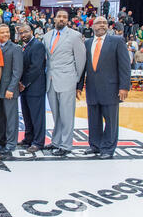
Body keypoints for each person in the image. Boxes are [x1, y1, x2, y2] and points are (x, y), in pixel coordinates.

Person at [77, 16, 131, 159]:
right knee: (93, 119)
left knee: (111, 121)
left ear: (108, 26)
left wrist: (124, 87)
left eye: (104, 23)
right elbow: (83, 67)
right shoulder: (87, 43)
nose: (101, 25)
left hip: (111, 89)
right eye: (98, 23)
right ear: (92, 26)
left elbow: (125, 66)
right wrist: (79, 86)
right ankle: (95, 145)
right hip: (92, 88)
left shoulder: (117, 41)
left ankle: (107, 148)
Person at [43, 9, 86, 156]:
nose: (61, 19)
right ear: (54, 18)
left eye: (64, 17)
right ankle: (56, 141)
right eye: (59, 16)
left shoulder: (75, 36)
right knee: (56, 114)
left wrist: (76, 80)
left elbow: (81, 60)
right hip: (51, 80)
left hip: (67, 80)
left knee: (67, 114)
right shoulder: (47, 36)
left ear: (68, 20)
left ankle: (66, 145)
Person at [18, 24, 46, 153]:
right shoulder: (26, 46)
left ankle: (38, 142)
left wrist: (23, 82)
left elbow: (36, 68)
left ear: (32, 32)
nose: (23, 34)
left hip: (34, 87)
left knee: (37, 116)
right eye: (21, 33)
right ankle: (28, 138)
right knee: (27, 115)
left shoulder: (37, 45)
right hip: (25, 89)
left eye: (26, 32)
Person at [0, 24, 23, 155]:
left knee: (11, 118)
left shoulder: (15, 48)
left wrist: (11, 88)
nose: (6, 34)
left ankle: (11, 143)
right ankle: (1, 140)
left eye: (7, 32)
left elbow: (17, 71)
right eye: (2, 32)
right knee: (0, 118)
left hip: (9, 90)